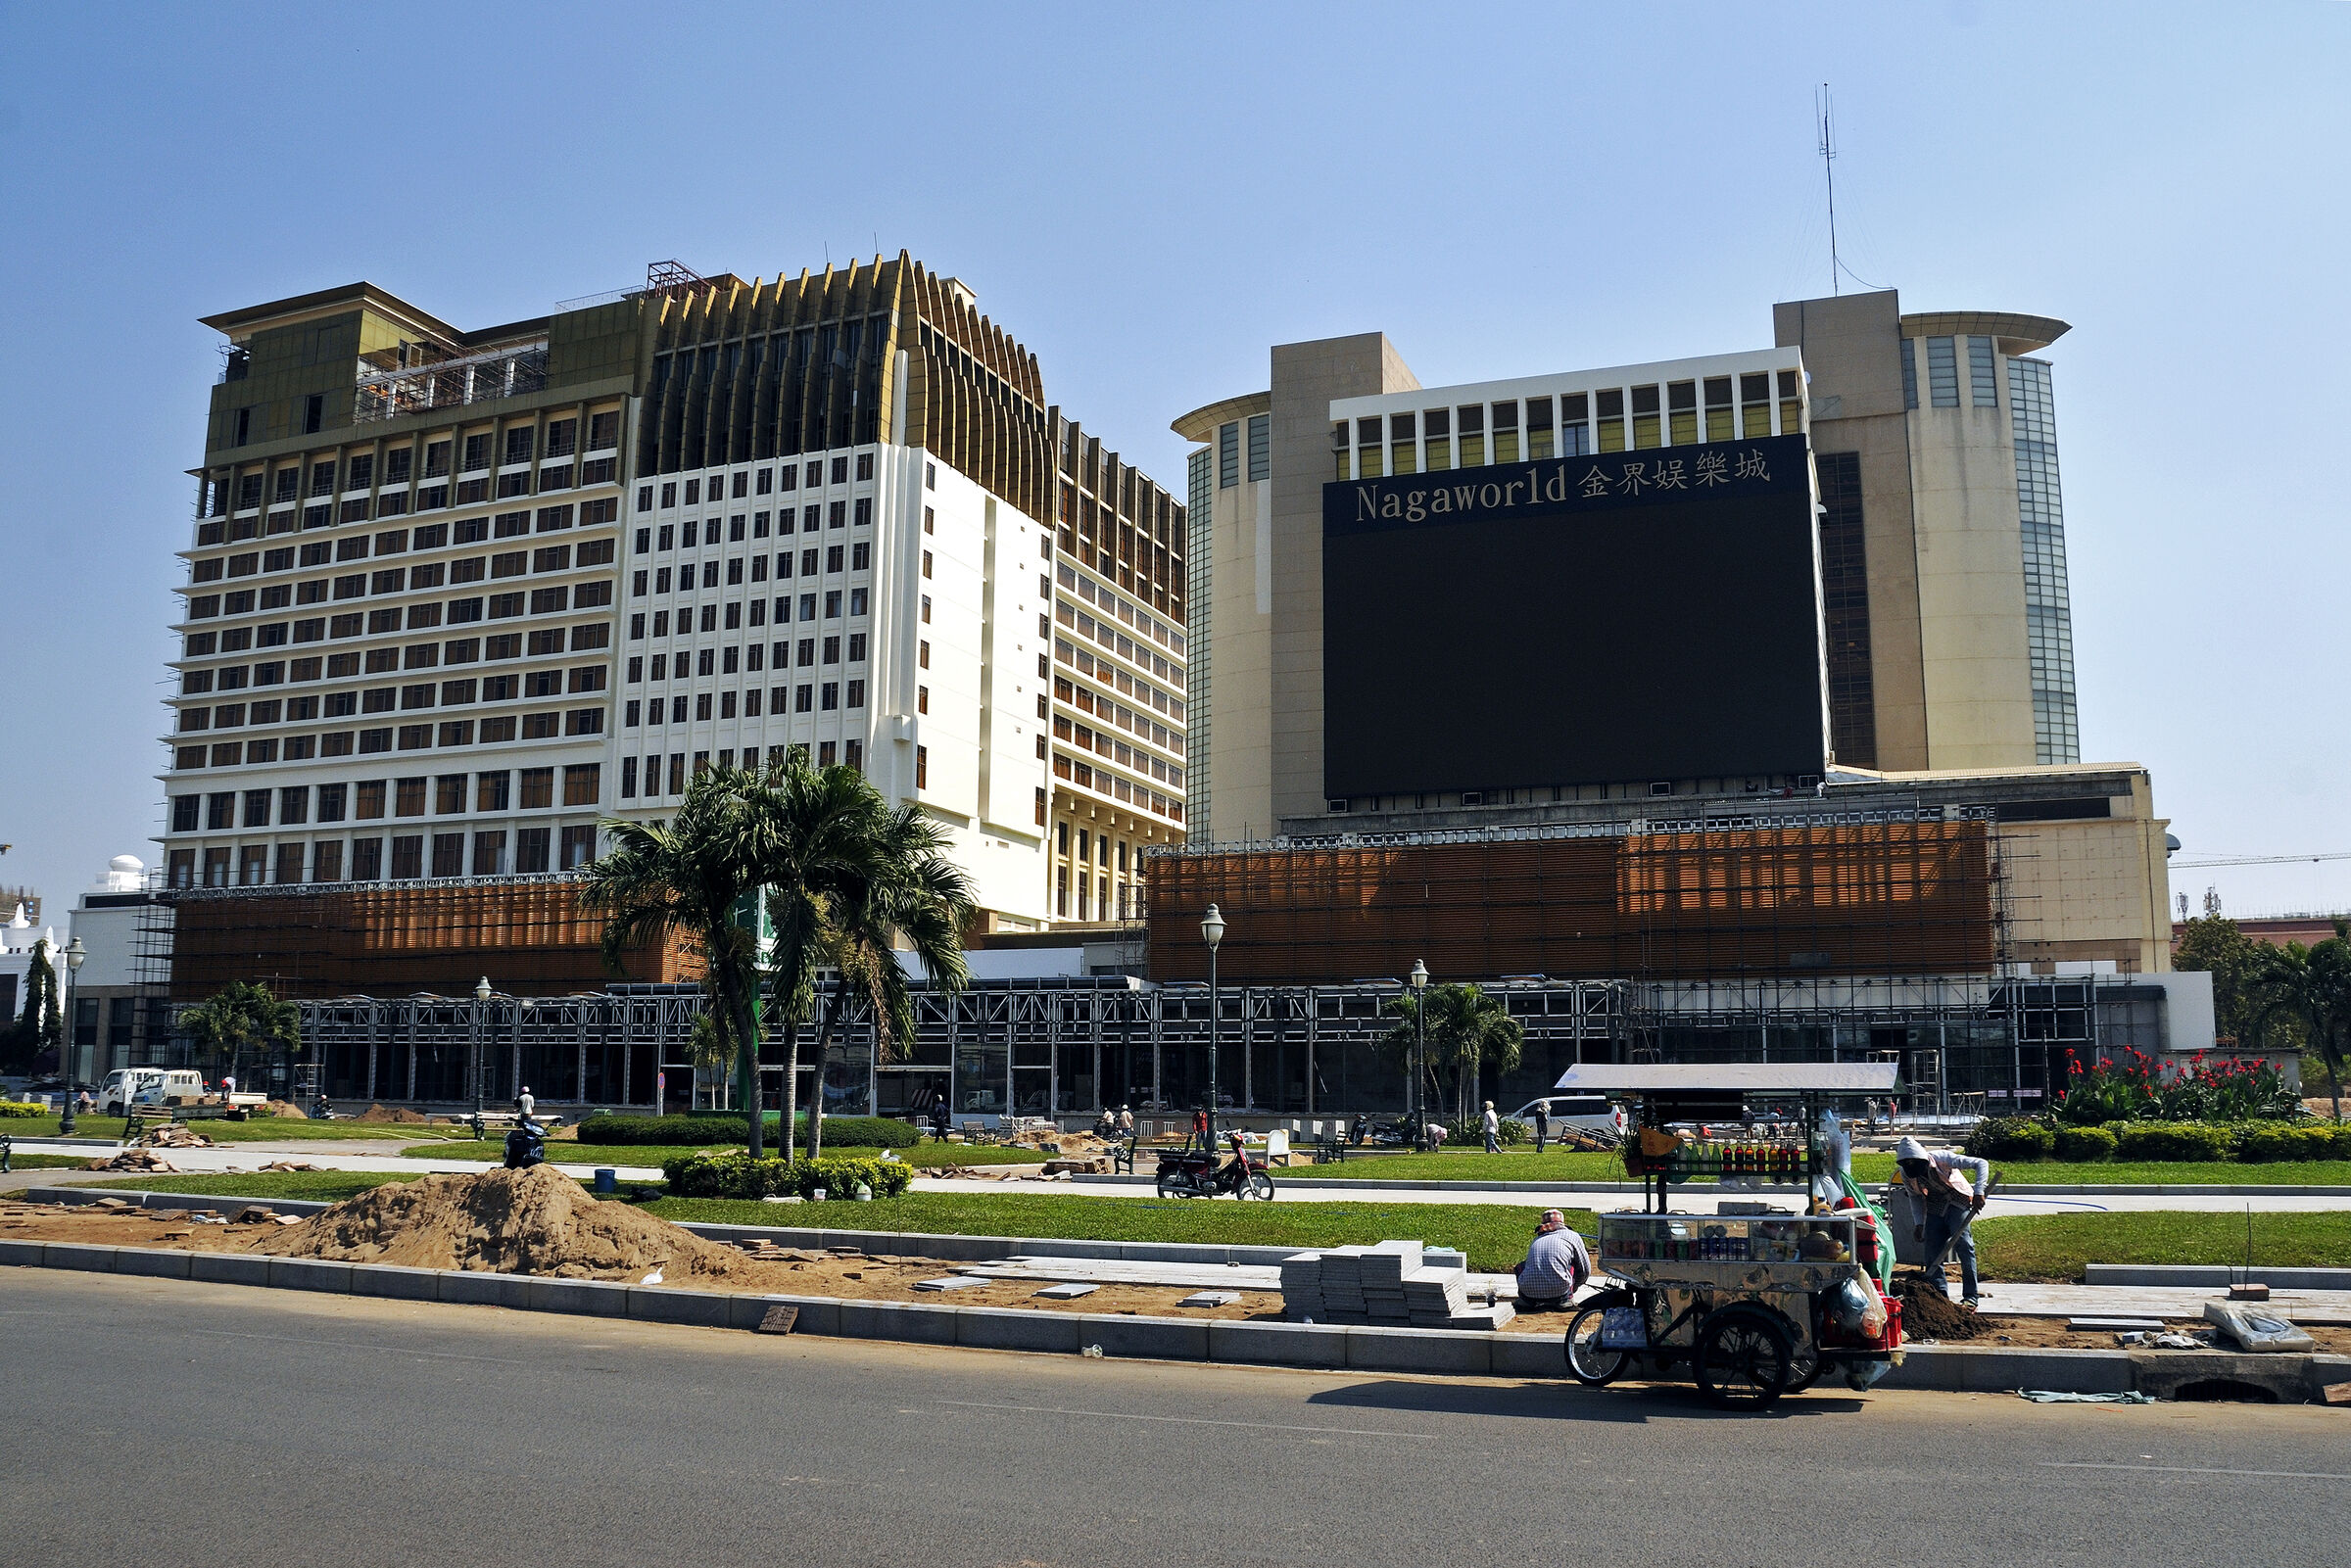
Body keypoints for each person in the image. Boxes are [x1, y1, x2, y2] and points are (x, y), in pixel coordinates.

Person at [1895, 1136, 1990, 1306]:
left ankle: (1970, 1297)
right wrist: (1919, 1223)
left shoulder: (1942, 1158)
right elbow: (1915, 1197)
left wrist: (1978, 1191)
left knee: (1964, 1245)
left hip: (1957, 1201)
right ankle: (1940, 1296)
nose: (1921, 1174)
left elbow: (1981, 1163)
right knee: (1932, 1252)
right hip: (1935, 1205)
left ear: (1923, 1160)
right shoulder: (1906, 1173)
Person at [1512, 1210, 1592, 1311]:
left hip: (1529, 1293)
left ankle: (1526, 1301)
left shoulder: (1536, 1240)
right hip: (1560, 1292)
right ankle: (1565, 1300)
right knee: (1571, 1265)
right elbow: (1585, 1269)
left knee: (1522, 1266)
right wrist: (1573, 1288)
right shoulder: (1573, 1236)